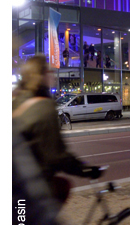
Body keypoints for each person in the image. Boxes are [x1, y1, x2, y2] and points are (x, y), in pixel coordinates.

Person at [13, 55, 100, 199]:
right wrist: (86, 170)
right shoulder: (44, 106)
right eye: (49, 71)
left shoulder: (17, 101)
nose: (53, 75)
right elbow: (57, 155)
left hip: (15, 181)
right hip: (30, 187)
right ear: (40, 75)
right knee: (62, 187)